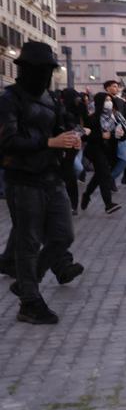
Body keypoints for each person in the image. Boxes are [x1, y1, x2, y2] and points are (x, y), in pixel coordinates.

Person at [0, 42, 84, 324]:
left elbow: (59, 127)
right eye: (41, 71)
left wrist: (71, 137)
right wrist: (49, 142)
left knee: (63, 236)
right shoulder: (9, 99)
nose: (45, 76)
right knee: (28, 241)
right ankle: (30, 302)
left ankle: (28, 283)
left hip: (51, 175)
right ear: (27, 70)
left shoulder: (49, 99)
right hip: (23, 179)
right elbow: (7, 141)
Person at [80, 93, 125, 215]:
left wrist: (118, 135)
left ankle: (86, 194)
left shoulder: (113, 117)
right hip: (95, 150)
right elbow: (84, 136)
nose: (109, 102)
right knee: (104, 175)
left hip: (107, 151)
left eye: (110, 100)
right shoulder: (92, 118)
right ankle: (108, 204)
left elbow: (117, 135)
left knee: (99, 175)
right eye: (106, 100)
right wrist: (101, 135)